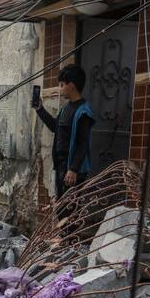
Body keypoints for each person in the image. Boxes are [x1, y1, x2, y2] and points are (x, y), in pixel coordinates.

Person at [33, 64, 95, 198]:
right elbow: (55, 127)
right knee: (62, 208)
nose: (60, 89)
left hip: (72, 169)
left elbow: (83, 143)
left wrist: (73, 169)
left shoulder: (84, 112)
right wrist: (40, 109)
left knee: (70, 209)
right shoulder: (65, 108)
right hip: (61, 166)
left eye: (62, 85)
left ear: (71, 85)